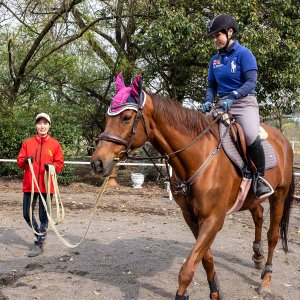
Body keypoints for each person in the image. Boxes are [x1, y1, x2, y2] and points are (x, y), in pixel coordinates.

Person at [201, 14, 273, 199]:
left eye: (217, 35)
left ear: (230, 32)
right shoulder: (214, 60)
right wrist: (208, 100)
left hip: (244, 103)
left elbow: (251, 82)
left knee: (249, 135)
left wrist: (234, 95)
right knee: (203, 131)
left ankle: (259, 179)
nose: (215, 39)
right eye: (213, 37)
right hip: (222, 104)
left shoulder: (244, 54)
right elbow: (211, 86)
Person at [17, 113, 64, 257]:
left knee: (44, 216)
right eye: (39, 123)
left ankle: (39, 241)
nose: (42, 126)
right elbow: (19, 162)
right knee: (27, 214)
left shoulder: (55, 144)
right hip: (29, 186)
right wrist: (25, 161)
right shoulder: (27, 143)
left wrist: (53, 167)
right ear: (36, 126)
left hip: (46, 186)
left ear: (49, 125)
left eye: (45, 123)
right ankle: (39, 232)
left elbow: (60, 163)